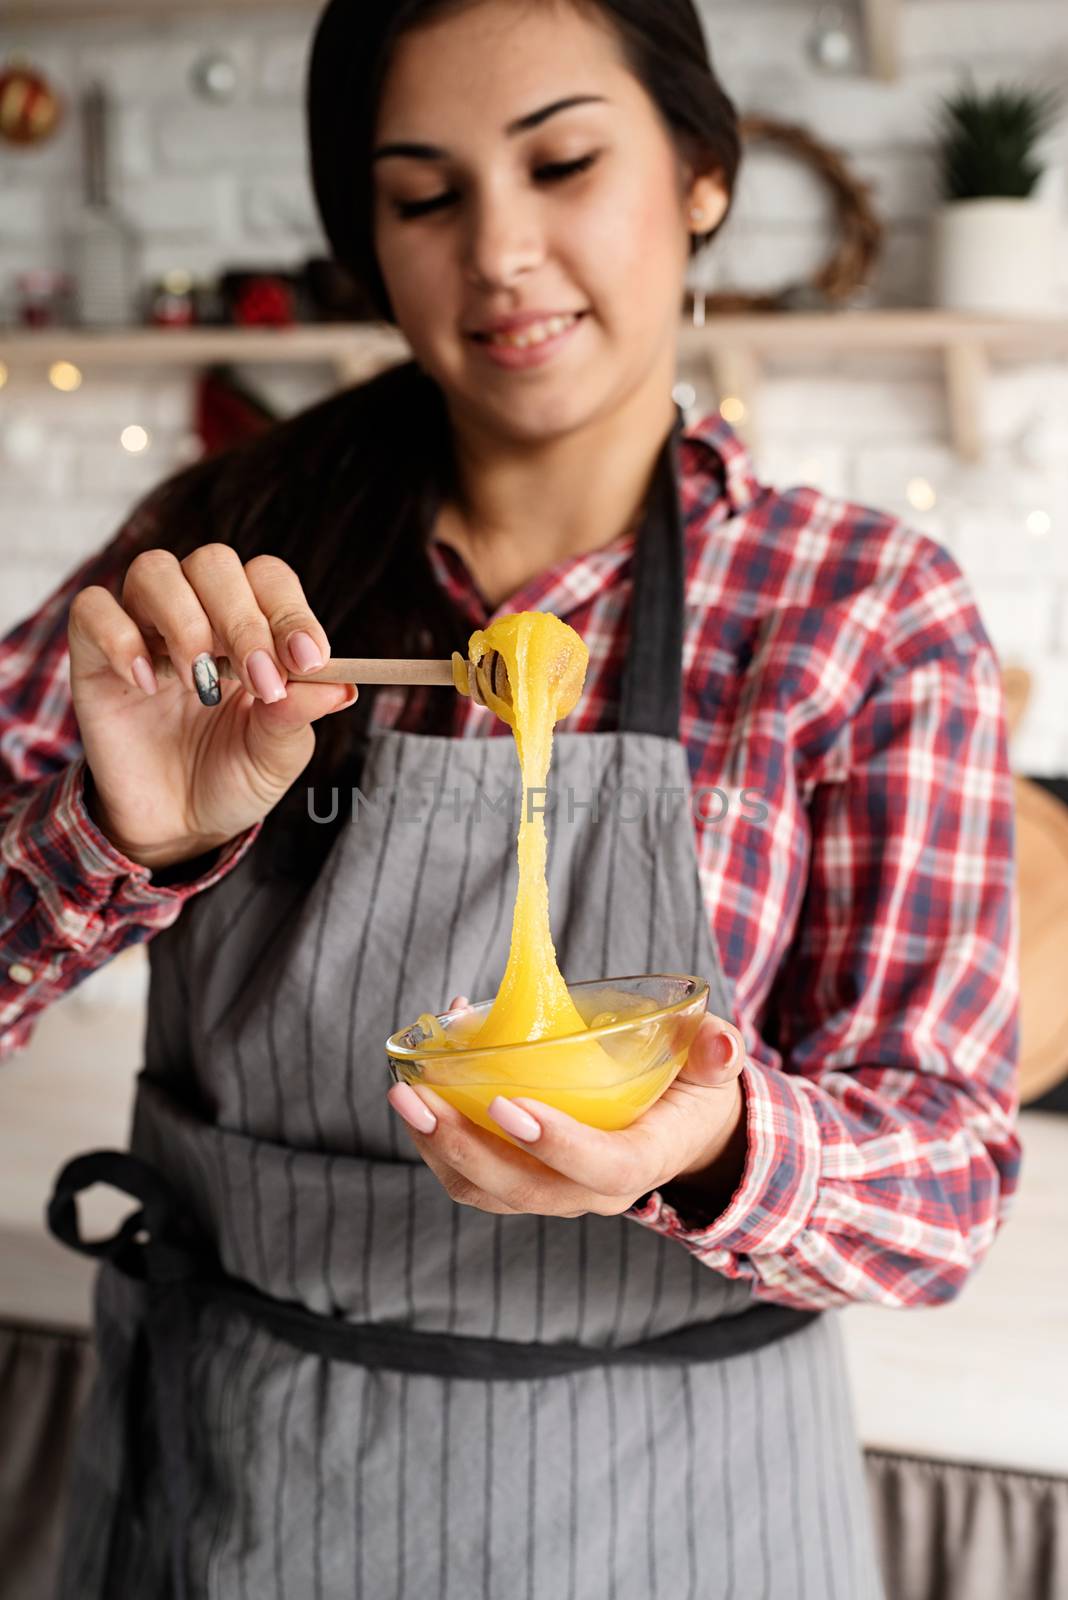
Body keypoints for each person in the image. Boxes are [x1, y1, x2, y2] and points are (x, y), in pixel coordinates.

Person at [0, 0, 1020, 1595]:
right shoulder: (223, 560)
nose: (499, 252)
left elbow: (950, 1181)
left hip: (684, 1522)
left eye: (561, 164)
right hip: (248, 1498)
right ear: (369, 238)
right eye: (426, 196)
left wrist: (722, 1141)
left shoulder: (862, 611)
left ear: (698, 174)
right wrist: (118, 842)